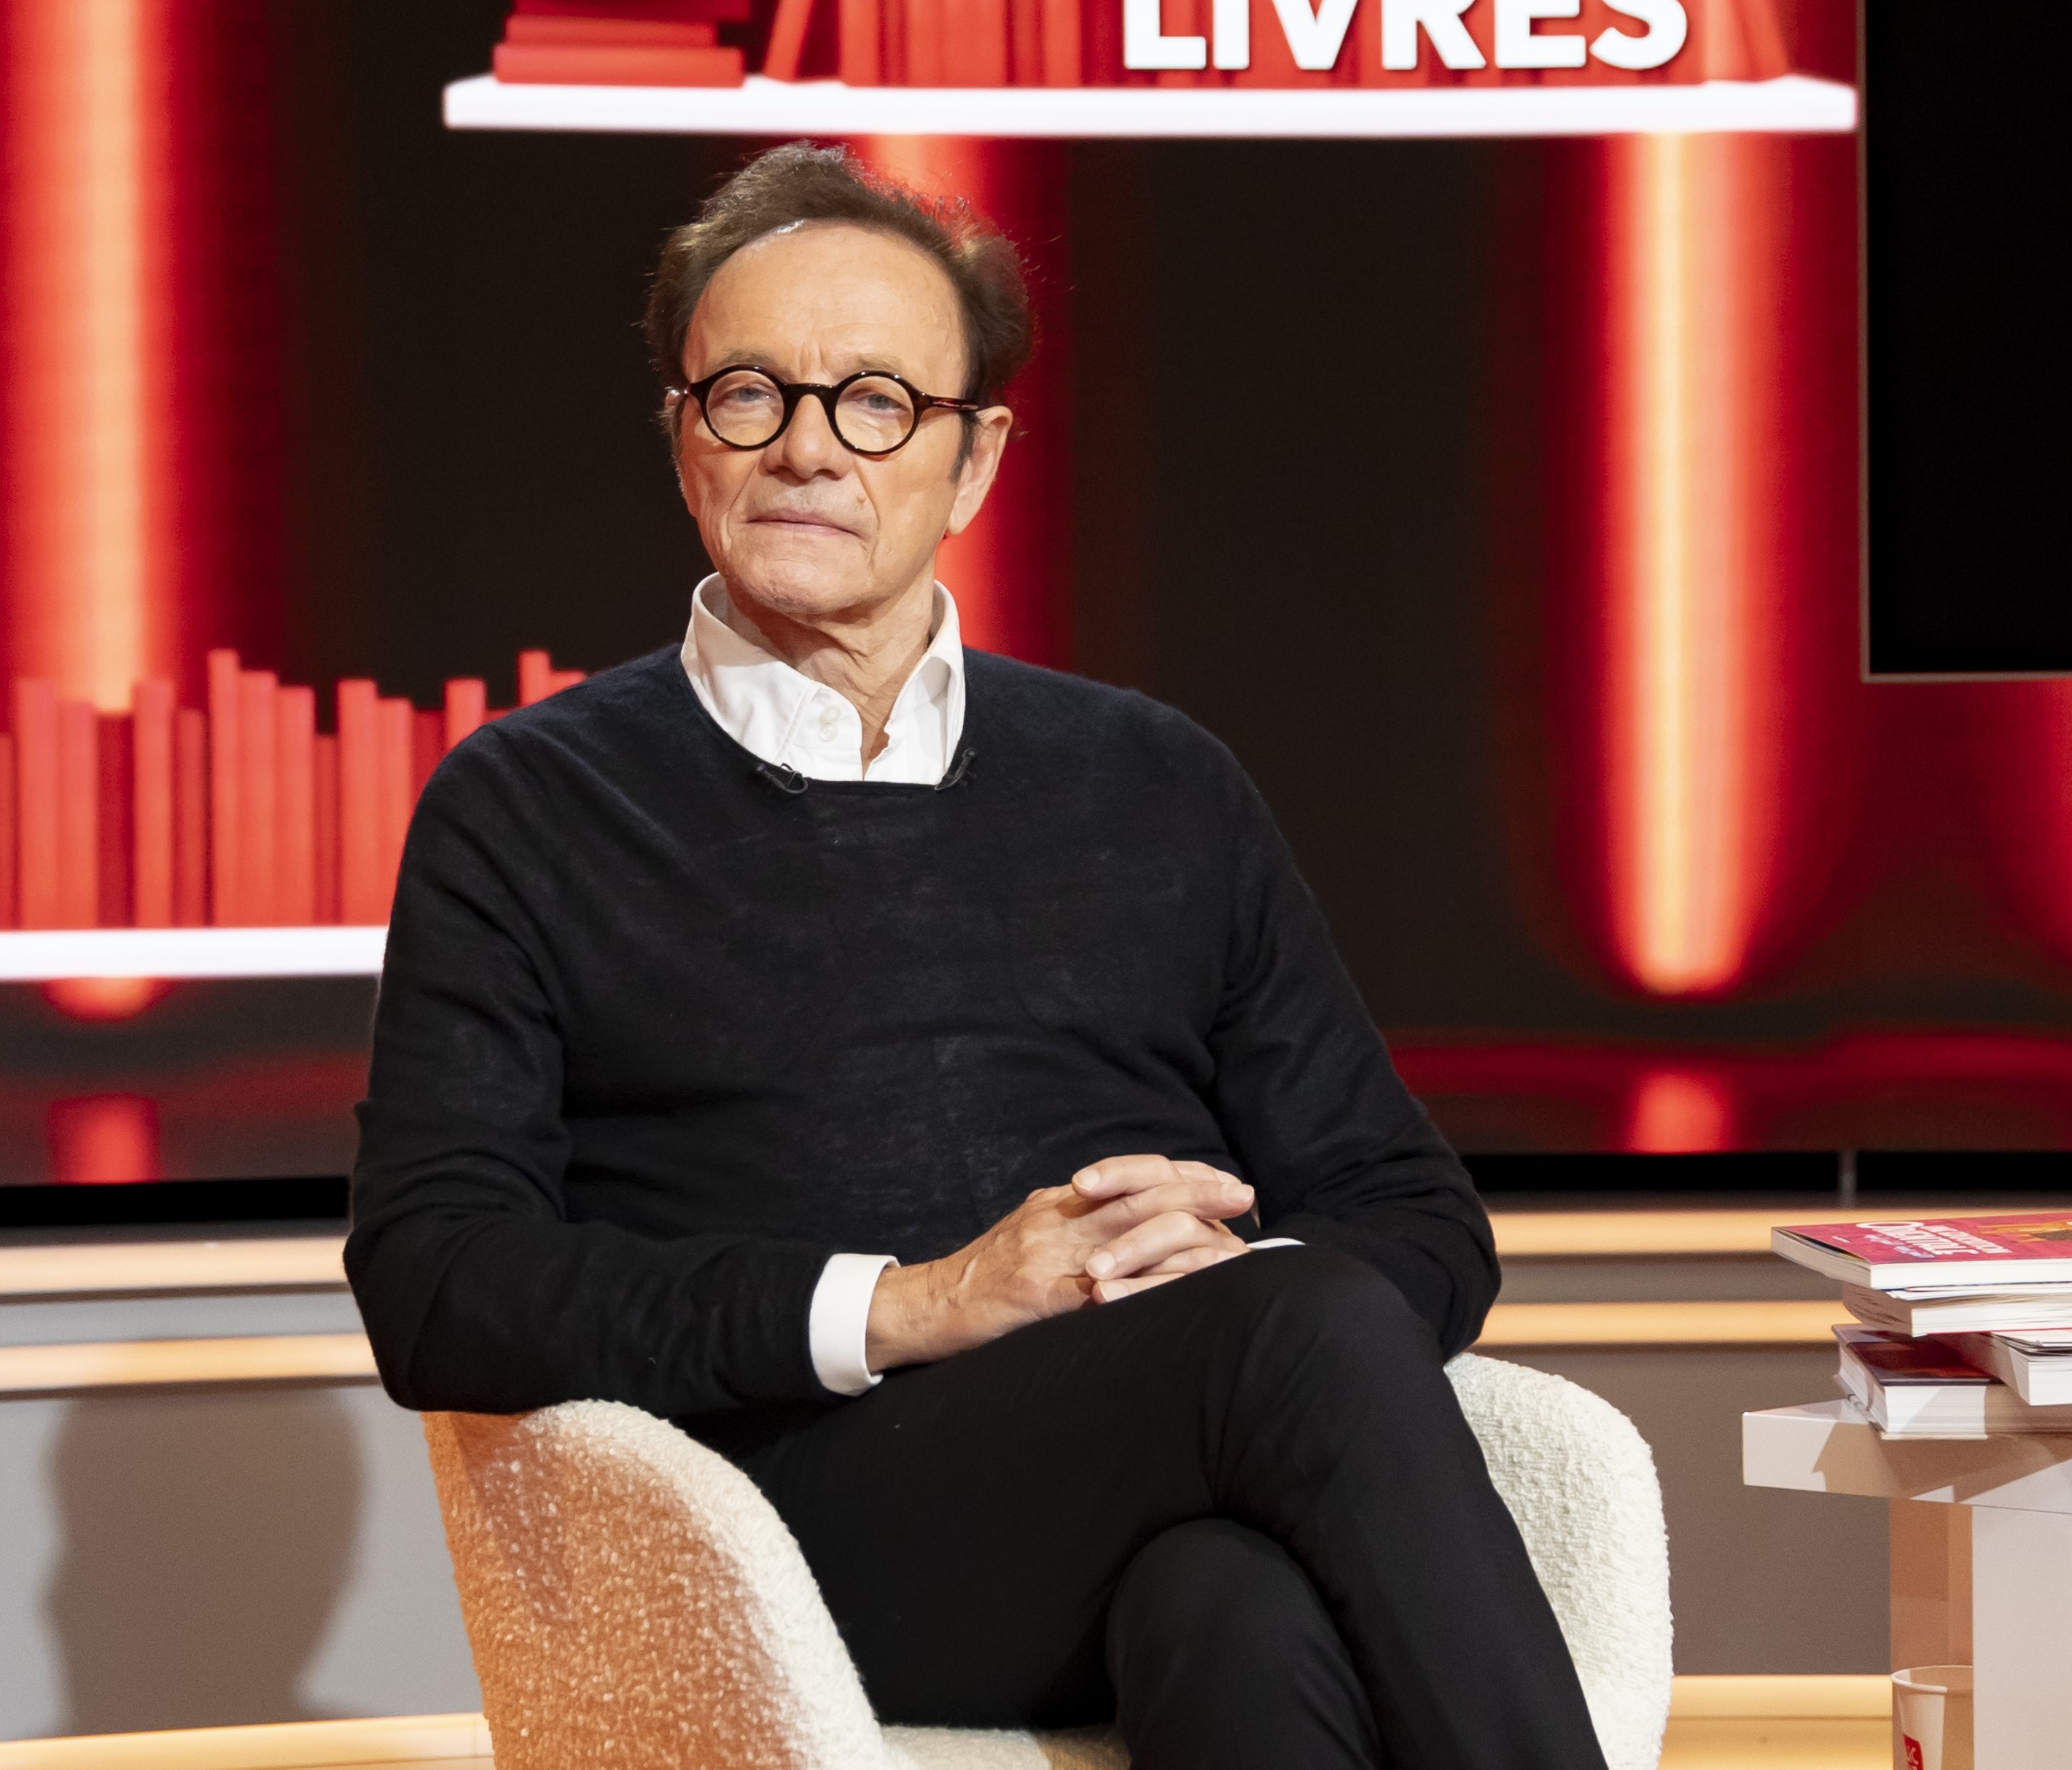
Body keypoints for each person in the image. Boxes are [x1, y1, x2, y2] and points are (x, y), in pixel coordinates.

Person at [348, 144, 1607, 1770]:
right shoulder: (526, 806)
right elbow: (440, 1281)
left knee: (1233, 1610)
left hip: (1133, 1487)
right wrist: (914, 1304)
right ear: (681, 434)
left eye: (875, 400)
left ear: (975, 460)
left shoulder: (1154, 781)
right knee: (1296, 1335)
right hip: (783, 1530)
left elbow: (1416, 1219)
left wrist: (1198, 1279)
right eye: (749, 393)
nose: (807, 446)